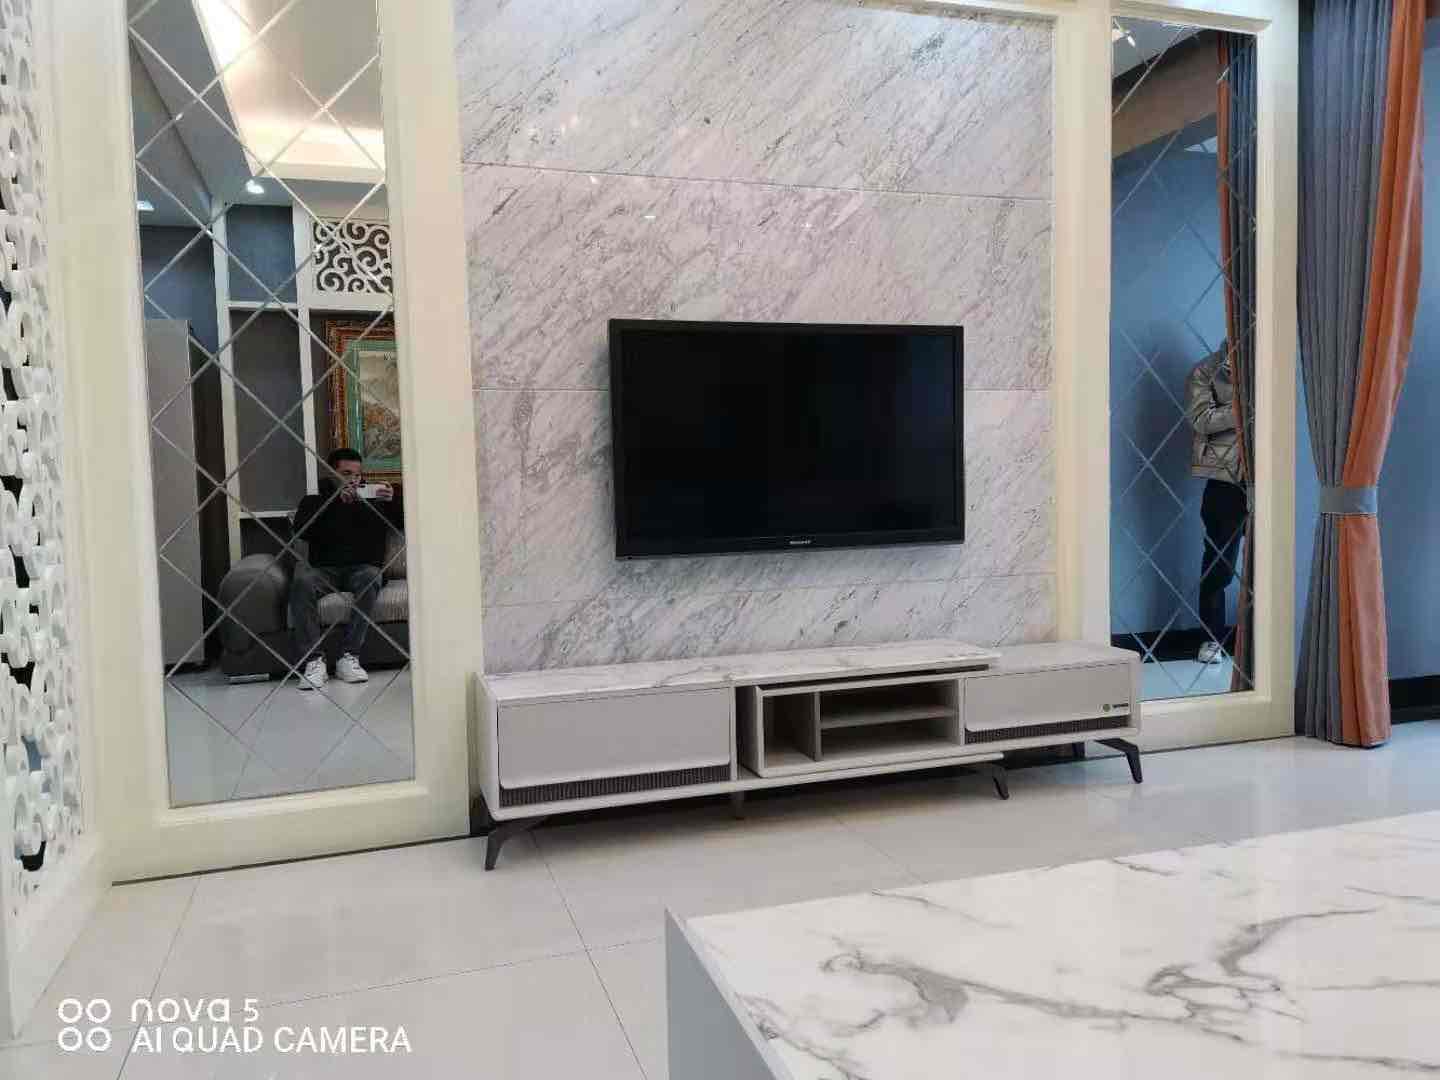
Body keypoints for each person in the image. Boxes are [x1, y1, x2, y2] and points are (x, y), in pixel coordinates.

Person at [289, 447, 400, 690]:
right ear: (331, 474)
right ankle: (313, 661)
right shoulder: (314, 502)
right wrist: (335, 503)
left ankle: (349, 657)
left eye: (358, 474)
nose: (354, 479)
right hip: (325, 570)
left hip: (363, 570)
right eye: (346, 473)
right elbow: (302, 531)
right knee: (302, 582)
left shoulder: (374, 501)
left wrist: (393, 501)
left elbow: (404, 523)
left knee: (371, 576)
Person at [1185, 349, 1247, 665]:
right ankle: (1211, 638)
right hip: (1225, 478)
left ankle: (1260, 639)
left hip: (1269, 474)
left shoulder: (1273, 362)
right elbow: (1200, 420)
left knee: (1270, 561)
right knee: (1219, 563)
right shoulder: (1206, 371)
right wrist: (1243, 408)